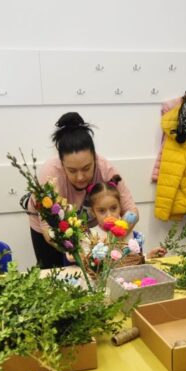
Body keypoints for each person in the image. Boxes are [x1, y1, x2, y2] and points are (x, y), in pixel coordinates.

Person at [28, 113, 138, 269]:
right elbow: (49, 231)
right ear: (62, 163)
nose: (80, 177)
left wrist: (116, 234)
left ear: (95, 158)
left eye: (86, 168)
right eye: (72, 170)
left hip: (91, 230)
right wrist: (74, 250)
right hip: (54, 230)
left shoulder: (106, 169)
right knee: (54, 273)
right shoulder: (50, 174)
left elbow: (132, 211)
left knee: (95, 273)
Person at [83, 176, 162, 258]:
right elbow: (89, 264)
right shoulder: (91, 237)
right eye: (102, 211)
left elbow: (135, 259)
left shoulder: (128, 231)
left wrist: (148, 256)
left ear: (120, 207)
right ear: (93, 212)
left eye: (113, 208)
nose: (109, 215)